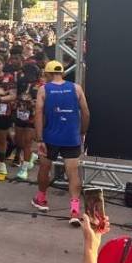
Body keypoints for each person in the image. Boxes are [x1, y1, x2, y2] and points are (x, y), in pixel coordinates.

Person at [33, 60, 90, 225]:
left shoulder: (44, 89)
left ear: (49, 74)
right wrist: (82, 132)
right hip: (71, 137)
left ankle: (42, 199)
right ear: (62, 73)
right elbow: (86, 113)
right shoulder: (76, 88)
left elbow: (38, 113)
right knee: (73, 173)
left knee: (44, 167)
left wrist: (40, 138)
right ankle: (74, 209)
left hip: (50, 137)